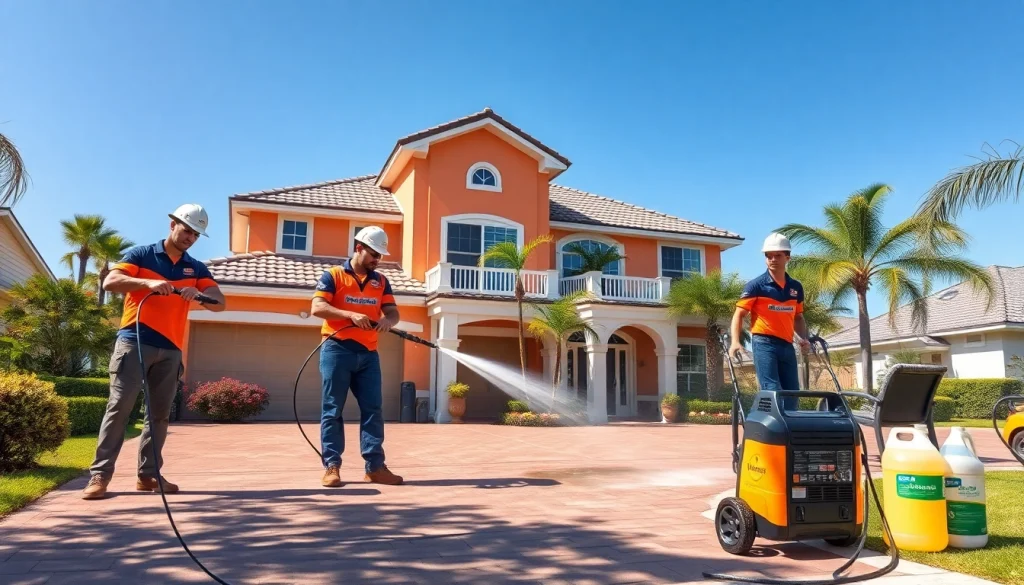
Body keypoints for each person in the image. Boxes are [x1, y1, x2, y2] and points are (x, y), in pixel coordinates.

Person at [83, 204, 226, 500]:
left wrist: (198, 294)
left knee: (160, 415)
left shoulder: (196, 268)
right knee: (119, 408)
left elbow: (219, 301)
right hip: (134, 341)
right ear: (172, 224)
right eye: (187, 230)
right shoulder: (141, 255)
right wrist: (146, 282)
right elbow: (111, 282)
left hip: (171, 348)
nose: (190, 238)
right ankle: (100, 475)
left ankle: (148, 475)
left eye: (196, 234)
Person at [311, 226, 404, 487]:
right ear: (359, 248)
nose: (377, 260)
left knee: (373, 409)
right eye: (374, 254)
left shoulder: (381, 281)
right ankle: (332, 466)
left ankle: (375, 467)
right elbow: (317, 307)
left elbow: (393, 312)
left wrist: (388, 321)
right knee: (332, 410)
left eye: (380, 256)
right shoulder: (333, 275)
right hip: (336, 349)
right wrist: (349, 315)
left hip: (369, 354)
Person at [729, 232, 810, 410]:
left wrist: (804, 339)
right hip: (764, 343)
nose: (773, 259)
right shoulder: (755, 286)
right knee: (771, 389)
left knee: (792, 392)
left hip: (787, 344)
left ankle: (789, 425)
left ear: (787, 257)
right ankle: (769, 424)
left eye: (778, 255)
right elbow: (739, 314)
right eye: (769, 256)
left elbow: (798, 317)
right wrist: (735, 342)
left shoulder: (795, 287)